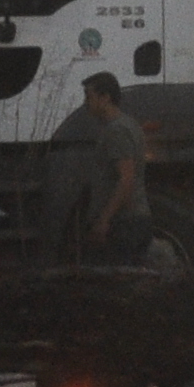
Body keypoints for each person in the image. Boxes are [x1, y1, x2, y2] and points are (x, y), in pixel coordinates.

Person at [68, 71, 156, 263]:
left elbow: (126, 178)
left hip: (125, 223)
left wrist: (104, 220)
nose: (85, 103)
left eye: (89, 96)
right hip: (131, 221)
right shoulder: (128, 125)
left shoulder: (116, 131)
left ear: (105, 97)